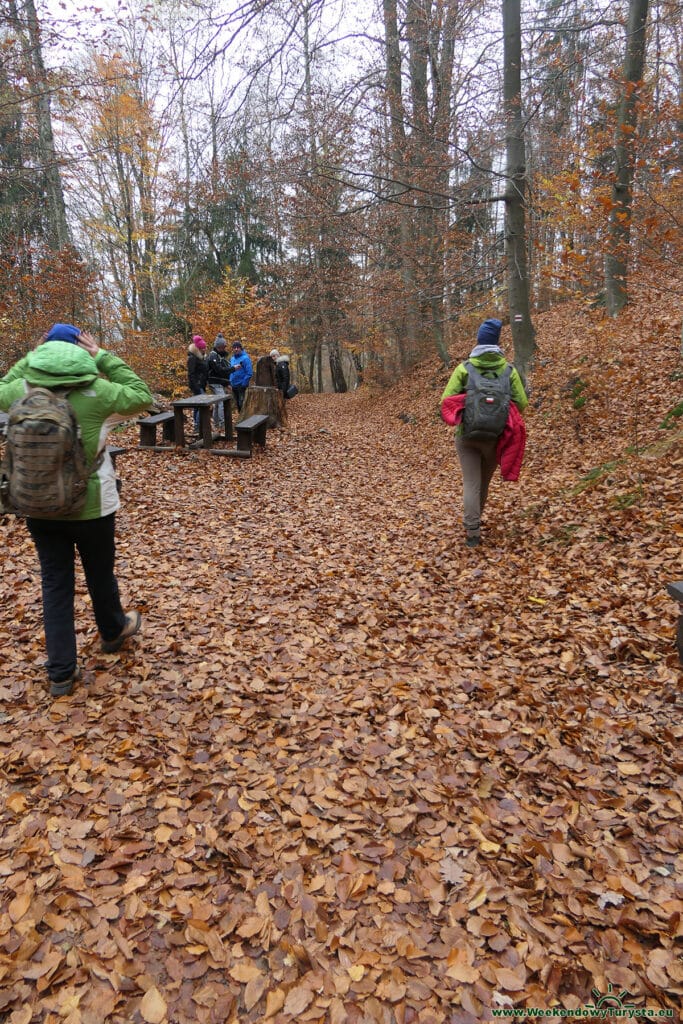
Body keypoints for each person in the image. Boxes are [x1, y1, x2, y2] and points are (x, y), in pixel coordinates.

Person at [0, 324, 153, 696]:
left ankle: (61, 673)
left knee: (55, 583)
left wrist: (30, 358)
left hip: (40, 506)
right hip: (93, 505)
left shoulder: (19, 391)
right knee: (99, 572)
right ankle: (113, 631)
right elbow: (143, 395)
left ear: (42, 351)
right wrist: (101, 356)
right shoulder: (98, 392)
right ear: (80, 350)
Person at [440, 318, 528, 548]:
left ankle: (472, 531)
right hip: (495, 436)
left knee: (471, 482)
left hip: (467, 436)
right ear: (497, 342)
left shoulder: (464, 368)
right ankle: (475, 520)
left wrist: (466, 406)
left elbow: (445, 400)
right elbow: (522, 403)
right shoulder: (509, 370)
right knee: (483, 482)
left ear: (479, 341)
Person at [207, 334, 231, 432]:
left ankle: (216, 423)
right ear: (219, 346)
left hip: (217, 382)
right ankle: (221, 424)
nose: (225, 348)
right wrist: (232, 369)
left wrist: (226, 383)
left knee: (217, 403)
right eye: (224, 346)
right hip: (214, 382)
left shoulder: (219, 356)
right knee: (221, 402)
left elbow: (221, 372)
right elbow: (219, 371)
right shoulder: (213, 356)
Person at [187, 334, 208, 430]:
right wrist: (197, 387)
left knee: (197, 405)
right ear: (198, 349)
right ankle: (199, 426)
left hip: (201, 385)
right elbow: (191, 374)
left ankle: (196, 425)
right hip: (197, 385)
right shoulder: (192, 358)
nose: (205, 350)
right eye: (203, 348)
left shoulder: (200, 358)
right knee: (201, 406)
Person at [229, 340, 253, 412]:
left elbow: (249, 372)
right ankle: (241, 421)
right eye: (234, 347)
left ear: (241, 348)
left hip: (242, 385)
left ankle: (246, 422)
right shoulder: (232, 359)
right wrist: (230, 381)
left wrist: (244, 384)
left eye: (238, 347)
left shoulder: (245, 358)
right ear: (233, 349)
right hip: (234, 385)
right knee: (238, 405)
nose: (236, 349)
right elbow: (231, 371)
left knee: (242, 403)